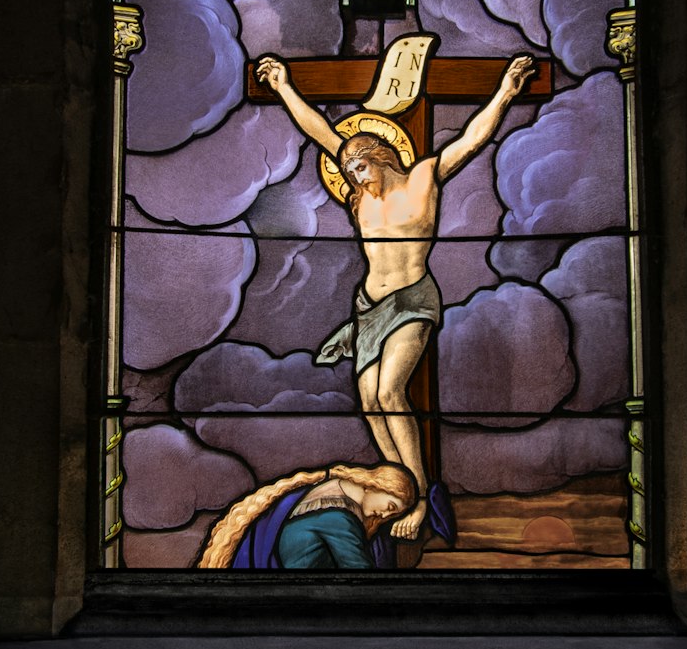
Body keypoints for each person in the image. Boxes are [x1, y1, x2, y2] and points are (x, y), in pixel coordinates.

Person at [255, 50, 536, 541]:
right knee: (369, 400)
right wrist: (282, 88)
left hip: (411, 299)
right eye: (347, 171)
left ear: (380, 156)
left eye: (359, 166)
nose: (354, 177)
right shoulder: (361, 197)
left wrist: (506, 93)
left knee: (390, 392)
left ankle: (424, 497)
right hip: (368, 308)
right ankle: (398, 490)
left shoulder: (424, 178)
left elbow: (472, 139)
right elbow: (319, 130)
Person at [198, 463, 417, 569]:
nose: (385, 514)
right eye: (390, 505)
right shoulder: (341, 519)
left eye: (393, 514)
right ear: (373, 486)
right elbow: (361, 574)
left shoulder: (322, 491)